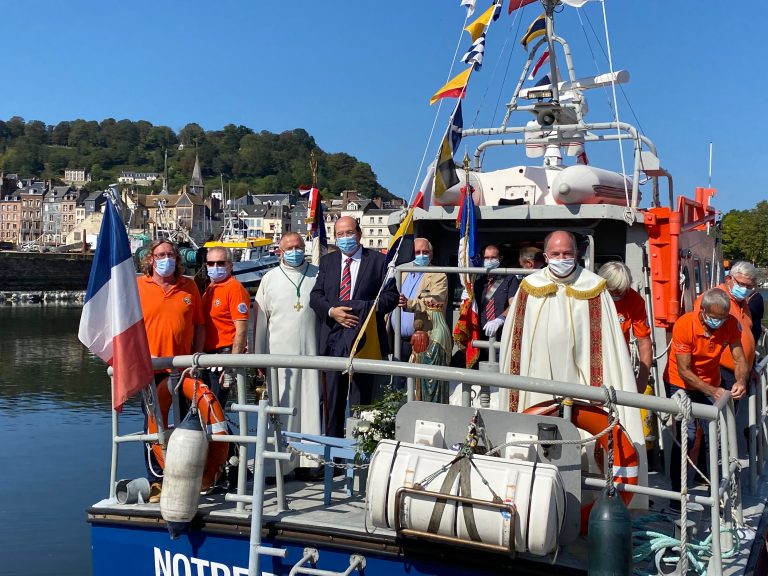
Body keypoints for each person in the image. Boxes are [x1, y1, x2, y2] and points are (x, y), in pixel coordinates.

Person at [498, 230, 647, 506]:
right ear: (545, 257)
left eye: (567, 254)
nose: (562, 259)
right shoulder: (529, 287)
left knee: (585, 440)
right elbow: (516, 343)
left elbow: (608, 348)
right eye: (555, 254)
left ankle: (591, 495)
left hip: (582, 383)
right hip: (537, 379)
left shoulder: (594, 287)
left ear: (576, 254)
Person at [309, 216, 399, 438]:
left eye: (349, 233)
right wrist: (333, 312)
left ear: (359, 234)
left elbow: (391, 297)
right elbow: (316, 297)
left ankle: (360, 454)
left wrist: (363, 308)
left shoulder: (379, 262)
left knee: (363, 403)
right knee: (332, 402)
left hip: (365, 340)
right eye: (340, 234)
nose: (345, 238)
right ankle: (332, 458)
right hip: (332, 339)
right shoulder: (328, 262)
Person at [664, 288, 748, 502]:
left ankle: (718, 492)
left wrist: (740, 381)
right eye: (714, 317)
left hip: (712, 381)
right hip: (680, 383)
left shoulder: (730, 324)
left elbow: (739, 358)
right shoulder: (684, 325)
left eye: (722, 318)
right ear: (702, 311)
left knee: (718, 438)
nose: (718, 322)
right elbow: (685, 370)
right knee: (687, 436)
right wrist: (714, 391)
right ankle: (677, 494)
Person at [137, 239, 205, 501]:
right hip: (151, 367)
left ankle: (192, 474)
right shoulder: (139, 286)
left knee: (190, 421)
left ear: (177, 259)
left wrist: (196, 359)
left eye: (170, 255)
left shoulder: (188, 286)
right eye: (160, 254)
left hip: (183, 367)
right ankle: (156, 478)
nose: (165, 259)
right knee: (154, 424)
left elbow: (199, 325)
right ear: (151, 259)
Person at [254, 232, 322, 478]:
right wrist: (258, 357)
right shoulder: (269, 279)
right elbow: (260, 322)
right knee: (280, 408)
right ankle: (278, 467)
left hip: (312, 355)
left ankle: (310, 463)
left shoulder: (317, 274)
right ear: (280, 251)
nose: (295, 251)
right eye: (289, 247)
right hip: (279, 359)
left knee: (311, 406)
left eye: (298, 246)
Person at [693, 261, 757, 398]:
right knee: (723, 417)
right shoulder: (713, 299)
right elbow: (701, 337)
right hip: (721, 374)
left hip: (740, 372)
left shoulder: (742, 302)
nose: (745, 289)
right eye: (741, 284)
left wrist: (750, 368)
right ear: (729, 279)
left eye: (749, 286)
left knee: (733, 416)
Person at [394, 238, 448, 388]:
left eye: (425, 252)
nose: (421, 255)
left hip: (423, 338)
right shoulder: (402, 271)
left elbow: (436, 301)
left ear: (431, 255)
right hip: (397, 339)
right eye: (418, 252)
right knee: (397, 382)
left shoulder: (439, 275)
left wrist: (410, 303)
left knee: (419, 384)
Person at [201, 246, 251, 407]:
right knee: (206, 409)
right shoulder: (210, 289)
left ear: (230, 265)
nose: (215, 267)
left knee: (214, 409)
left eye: (220, 263)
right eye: (211, 263)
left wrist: (231, 366)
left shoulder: (234, 289)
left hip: (223, 357)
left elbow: (241, 330)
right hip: (207, 357)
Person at [597, 261, 652, 392]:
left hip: (620, 363)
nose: (616, 295)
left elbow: (644, 342)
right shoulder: (589, 295)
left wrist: (642, 381)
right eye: (612, 291)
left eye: (620, 291)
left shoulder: (634, 300)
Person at [474, 244, 519, 347]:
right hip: (480, 331)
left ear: (500, 258)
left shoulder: (509, 278)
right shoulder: (478, 280)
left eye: (493, 257)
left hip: (502, 332)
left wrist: (500, 319)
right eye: (486, 258)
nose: (490, 261)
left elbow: (514, 304)